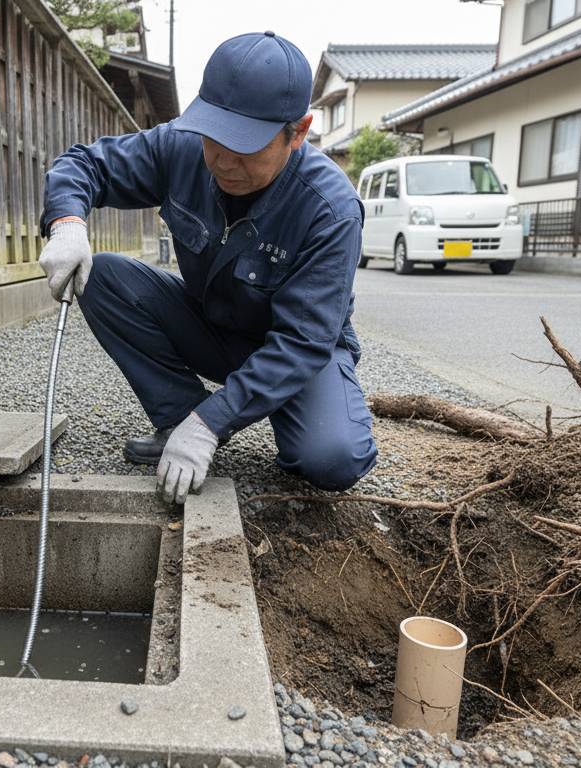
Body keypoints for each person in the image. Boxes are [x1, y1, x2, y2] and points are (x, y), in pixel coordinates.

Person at [38, 31, 378, 504]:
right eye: (215, 137)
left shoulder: (330, 210)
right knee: (107, 277)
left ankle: (202, 423)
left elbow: (304, 341)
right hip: (213, 326)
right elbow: (86, 165)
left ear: (297, 132)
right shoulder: (182, 148)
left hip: (296, 352)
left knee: (334, 459)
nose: (222, 160)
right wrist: (67, 223)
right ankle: (180, 415)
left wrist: (212, 423)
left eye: (247, 145)